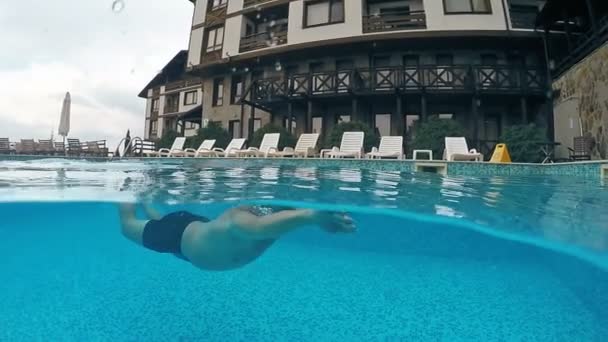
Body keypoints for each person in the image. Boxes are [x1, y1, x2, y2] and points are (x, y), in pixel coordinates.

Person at [119, 203, 355, 271]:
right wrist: (311, 216)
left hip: (192, 234)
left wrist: (310, 216)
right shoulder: (242, 217)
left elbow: (271, 224)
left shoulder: (279, 213)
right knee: (127, 225)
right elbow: (260, 228)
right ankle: (127, 190)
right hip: (177, 234)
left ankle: (149, 205)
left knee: (161, 221)